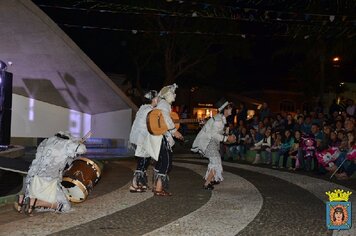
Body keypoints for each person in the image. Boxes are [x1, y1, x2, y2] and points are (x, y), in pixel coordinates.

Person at [15, 131, 87, 215]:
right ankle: (36, 202)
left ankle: (23, 199)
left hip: (32, 179)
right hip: (48, 181)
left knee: (41, 195)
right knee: (66, 206)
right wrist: (76, 143)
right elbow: (82, 149)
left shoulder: (46, 141)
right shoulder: (68, 144)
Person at [145, 83, 183, 196]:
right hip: (162, 137)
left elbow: (163, 119)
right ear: (166, 95)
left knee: (161, 161)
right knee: (166, 163)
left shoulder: (161, 104)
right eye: (172, 93)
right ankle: (158, 189)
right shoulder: (165, 104)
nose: (175, 96)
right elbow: (166, 118)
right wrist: (174, 131)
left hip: (159, 137)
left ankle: (156, 185)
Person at [191, 98, 236, 190]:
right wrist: (227, 138)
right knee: (216, 162)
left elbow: (216, 133)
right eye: (230, 108)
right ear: (226, 109)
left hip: (211, 143)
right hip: (209, 143)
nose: (232, 110)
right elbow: (214, 134)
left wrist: (226, 136)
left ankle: (211, 180)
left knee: (215, 162)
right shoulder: (219, 120)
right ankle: (207, 183)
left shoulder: (220, 118)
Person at [128, 90, 158, 192]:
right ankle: (134, 184)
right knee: (143, 162)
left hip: (137, 139)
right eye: (156, 97)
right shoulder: (149, 110)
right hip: (141, 139)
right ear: (153, 99)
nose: (157, 99)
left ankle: (141, 182)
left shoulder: (143, 108)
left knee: (144, 161)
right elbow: (152, 127)